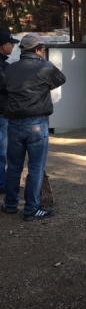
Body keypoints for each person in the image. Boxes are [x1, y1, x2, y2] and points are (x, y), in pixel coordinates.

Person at [0, 33, 66, 221]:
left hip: (14, 123)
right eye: (42, 49)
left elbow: (4, 87)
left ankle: (10, 204)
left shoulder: (10, 69)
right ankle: (31, 208)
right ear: (38, 50)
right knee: (36, 167)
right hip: (37, 123)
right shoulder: (46, 67)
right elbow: (61, 79)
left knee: (14, 166)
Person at [0, 29, 20, 192]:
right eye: (10, 43)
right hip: (1, 112)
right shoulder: (2, 66)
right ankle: (1, 184)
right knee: (2, 151)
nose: (13, 46)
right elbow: (6, 86)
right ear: (2, 46)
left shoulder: (4, 65)